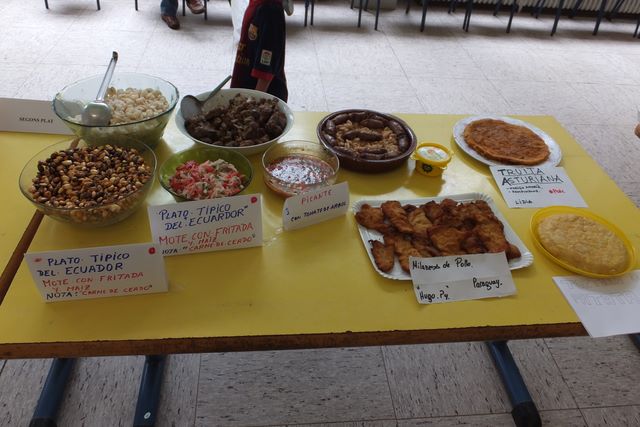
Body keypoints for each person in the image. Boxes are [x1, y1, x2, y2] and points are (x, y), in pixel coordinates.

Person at [230, 0, 288, 102]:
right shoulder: (256, 4)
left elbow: (266, 67)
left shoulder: (271, 9)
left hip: (262, 97)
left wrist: (253, 103)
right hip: (247, 90)